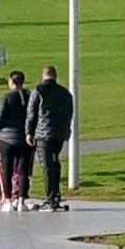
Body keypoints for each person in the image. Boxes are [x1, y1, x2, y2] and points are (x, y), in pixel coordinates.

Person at [32, 64, 77, 203]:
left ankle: (50, 197)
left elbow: (31, 113)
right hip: (59, 134)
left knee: (46, 165)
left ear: (43, 75)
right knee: (55, 161)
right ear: (55, 76)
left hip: (43, 134)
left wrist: (29, 132)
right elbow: (70, 112)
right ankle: (56, 193)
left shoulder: (38, 90)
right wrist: (66, 129)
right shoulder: (65, 92)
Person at [0, 68, 33, 206]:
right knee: (23, 171)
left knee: (7, 171)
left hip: (7, 140)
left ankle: (8, 200)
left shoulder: (7, 98)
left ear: (12, 82)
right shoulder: (30, 96)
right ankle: (22, 200)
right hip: (25, 139)